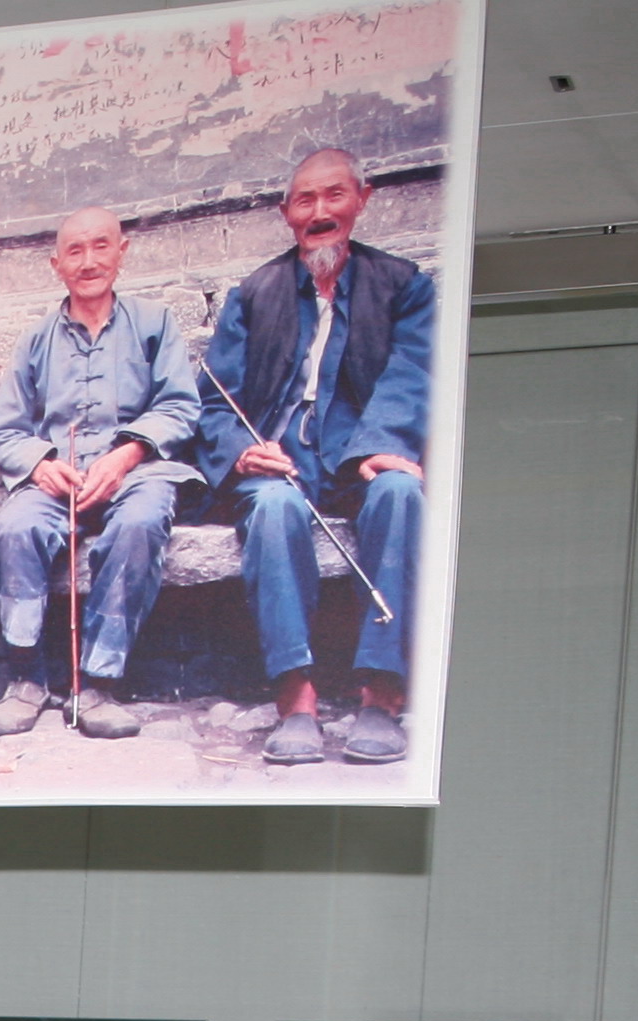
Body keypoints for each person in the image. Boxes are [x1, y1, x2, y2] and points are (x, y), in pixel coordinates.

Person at [198, 145, 432, 768]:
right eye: (306, 200)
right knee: (273, 507)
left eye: (335, 196)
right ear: (287, 214)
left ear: (361, 199)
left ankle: (381, 696)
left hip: (361, 452)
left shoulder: (404, 286)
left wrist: (382, 446)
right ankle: (295, 700)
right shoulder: (255, 293)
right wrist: (245, 452)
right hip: (281, 458)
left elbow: (413, 373)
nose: (320, 211)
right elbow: (215, 399)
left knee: (402, 493)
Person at [0, 209, 200, 743]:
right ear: (57, 265)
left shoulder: (154, 322)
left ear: (122, 251)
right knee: (12, 530)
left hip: (137, 471)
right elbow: (4, 430)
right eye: (74, 252)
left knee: (140, 523)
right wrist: (41, 464)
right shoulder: (35, 340)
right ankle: (27, 677)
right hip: (61, 479)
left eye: (101, 247)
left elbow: (180, 407)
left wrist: (125, 454)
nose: (89, 261)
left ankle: (97, 683)